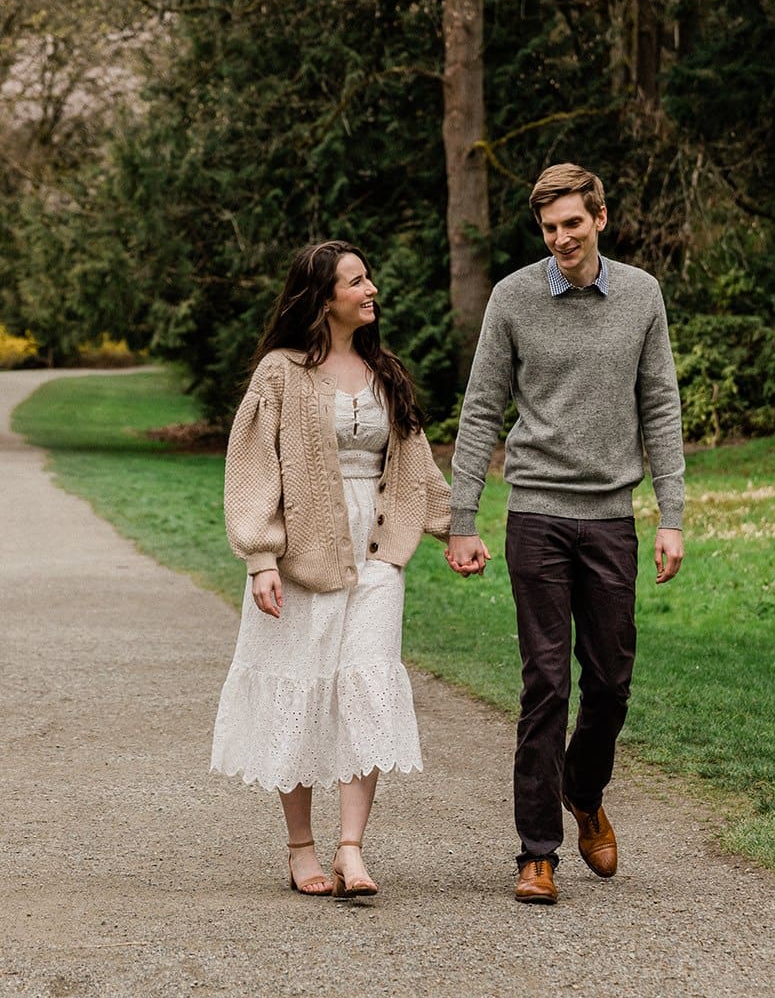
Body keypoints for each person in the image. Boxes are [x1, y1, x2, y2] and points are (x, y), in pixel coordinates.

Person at [446, 163, 685, 904]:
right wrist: (462, 518)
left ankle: (583, 790)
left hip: (610, 517)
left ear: (600, 219)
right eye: (549, 228)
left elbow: (661, 406)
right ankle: (536, 852)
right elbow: (481, 408)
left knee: (610, 683)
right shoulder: (513, 297)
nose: (561, 239)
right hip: (537, 516)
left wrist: (672, 515)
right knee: (546, 682)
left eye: (573, 224)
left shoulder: (641, 294)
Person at [211, 240, 481, 896]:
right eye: (355, 281)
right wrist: (260, 557)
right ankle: (300, 847)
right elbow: (254, 467)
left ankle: (351, 848)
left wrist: (455, 528)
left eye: (368, 278)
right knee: (299, 690)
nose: (370, 289)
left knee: (368, 685)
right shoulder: (279, 373)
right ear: (322, 297)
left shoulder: (383, 370)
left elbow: (414, 463)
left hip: (378, 555)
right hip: (300, 556)